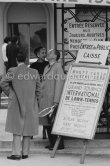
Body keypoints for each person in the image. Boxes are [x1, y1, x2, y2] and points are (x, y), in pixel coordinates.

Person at [0, 50, 41, 160]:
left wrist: (11, 93)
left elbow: (3, 83)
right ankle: (25, 153)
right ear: (26, 60)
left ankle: (16, 153)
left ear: (16, 60)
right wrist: (36, 100)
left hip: (16, 102)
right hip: (30, 102)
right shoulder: (34, 72)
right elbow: (38, 89)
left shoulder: (12, 70)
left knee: (16, 128)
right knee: (27, 127)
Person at [40, 49, 65, 150]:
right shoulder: (47, 67)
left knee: (53, 122)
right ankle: (52, 143)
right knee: (47, 122)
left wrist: (56, 100)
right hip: (45, 98)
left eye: (50, 53)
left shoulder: (58, 67)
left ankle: (58, 144)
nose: (47, 54)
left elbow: (59, 84)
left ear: (55, 56)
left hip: (52, 99)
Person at [30, 46, 49, 139]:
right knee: (34, 112)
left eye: (45, 52)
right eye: (42, 53)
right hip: (36, 91)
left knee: (45, 112)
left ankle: (45, 131)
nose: (44, 54)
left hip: (45, 91)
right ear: (37, 54)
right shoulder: (33, 66)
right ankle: (32, 132)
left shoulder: (48, 64)